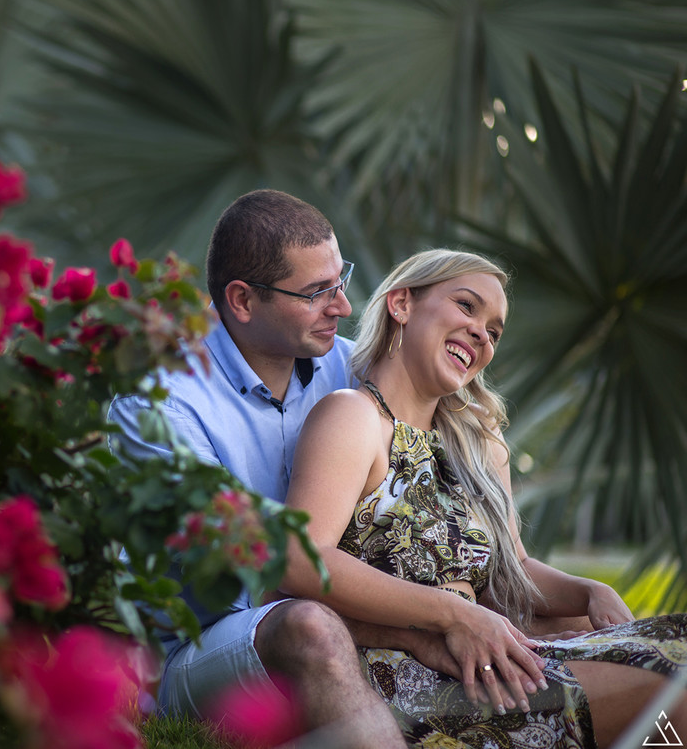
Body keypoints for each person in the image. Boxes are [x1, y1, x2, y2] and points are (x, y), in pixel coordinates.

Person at [279, 248, 687, 747]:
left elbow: (512, 569)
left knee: (679, 649)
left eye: (494, 331)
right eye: (467, 307)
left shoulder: (480, 444)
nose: (482, 335)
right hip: (413, 679)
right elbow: (302, 558)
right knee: (671, 691)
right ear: (402, 304)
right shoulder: (354, 418)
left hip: (491, 657)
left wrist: (586, 591)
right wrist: (455, 615)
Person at [110, 190, 455, 748]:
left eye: (339, 280)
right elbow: (260, 572)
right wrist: (419, 624)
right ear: (242, 301)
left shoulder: (348, 365)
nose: (342, 307)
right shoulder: (158, 404)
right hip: (204, 646)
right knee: (310, 628)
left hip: (334, 605)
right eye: (317, 293)